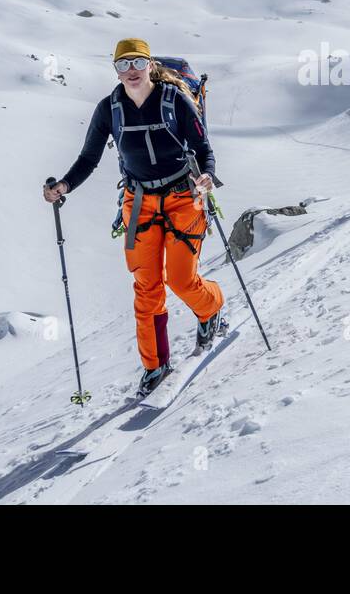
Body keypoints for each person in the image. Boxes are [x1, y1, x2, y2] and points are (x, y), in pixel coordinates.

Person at [44, 38, 225, 395]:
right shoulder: (109, 109)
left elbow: (203, 149)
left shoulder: (175, 100)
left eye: (137, 63)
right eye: (121, 65)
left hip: (182, 198)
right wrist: (64, 186)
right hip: (138, 202)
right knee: (146, 287)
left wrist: (206, 175)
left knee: (181, 280)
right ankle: (155, 365)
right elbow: (88, 159)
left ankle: (211, 308)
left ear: (149, 64)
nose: (130, 71)